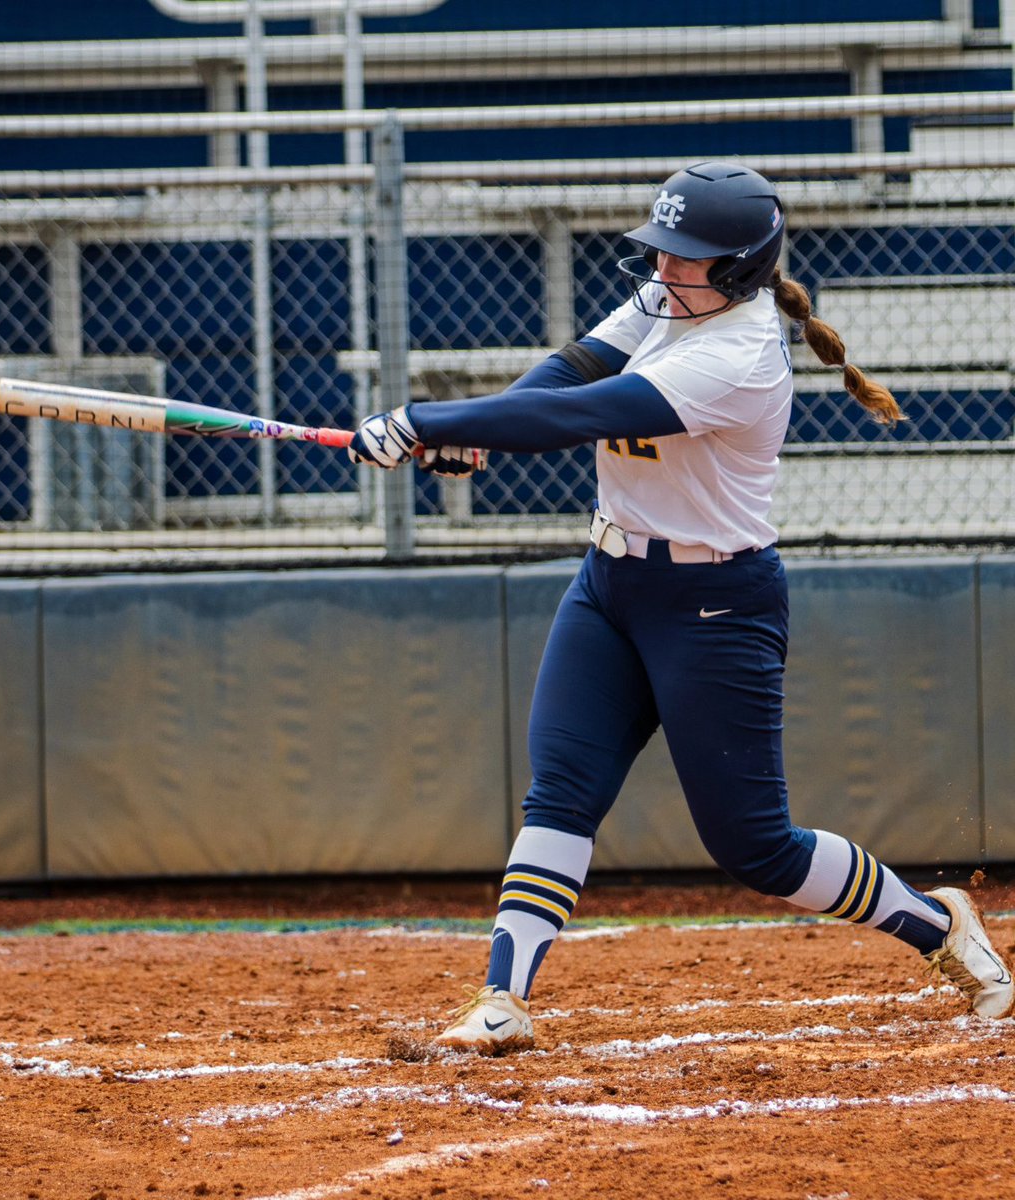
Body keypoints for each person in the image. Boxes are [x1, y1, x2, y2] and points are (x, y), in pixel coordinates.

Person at [348, 161, 1014, 1052]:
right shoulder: (667, 303)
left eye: (685, 257)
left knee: (757, 849)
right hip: (610, 585)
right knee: (560, 795)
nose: (663, 269)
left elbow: (584, 413)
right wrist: (479, 431)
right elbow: (572, 368)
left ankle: (939, 927)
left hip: (715, 604)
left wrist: (432, 424)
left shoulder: (738, 358)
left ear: (739, 271)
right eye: (659, 250)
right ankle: (503, 1002)